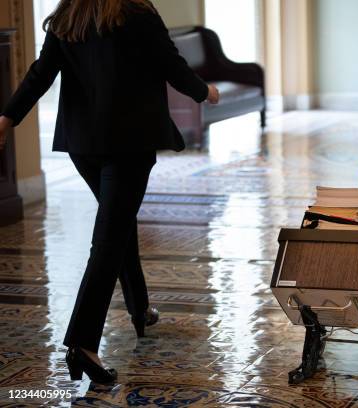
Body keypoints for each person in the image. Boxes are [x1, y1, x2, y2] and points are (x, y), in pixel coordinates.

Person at [0, 0, 220, 383]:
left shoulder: (68, 17)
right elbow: (171, 66)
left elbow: (40, 74)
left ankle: (140, 309)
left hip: (83, 146)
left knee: (117, 225)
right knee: (109, 238)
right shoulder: (138, 14)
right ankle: (83, 344)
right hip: (129, 145)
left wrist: (7, 116)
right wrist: (205, 92)